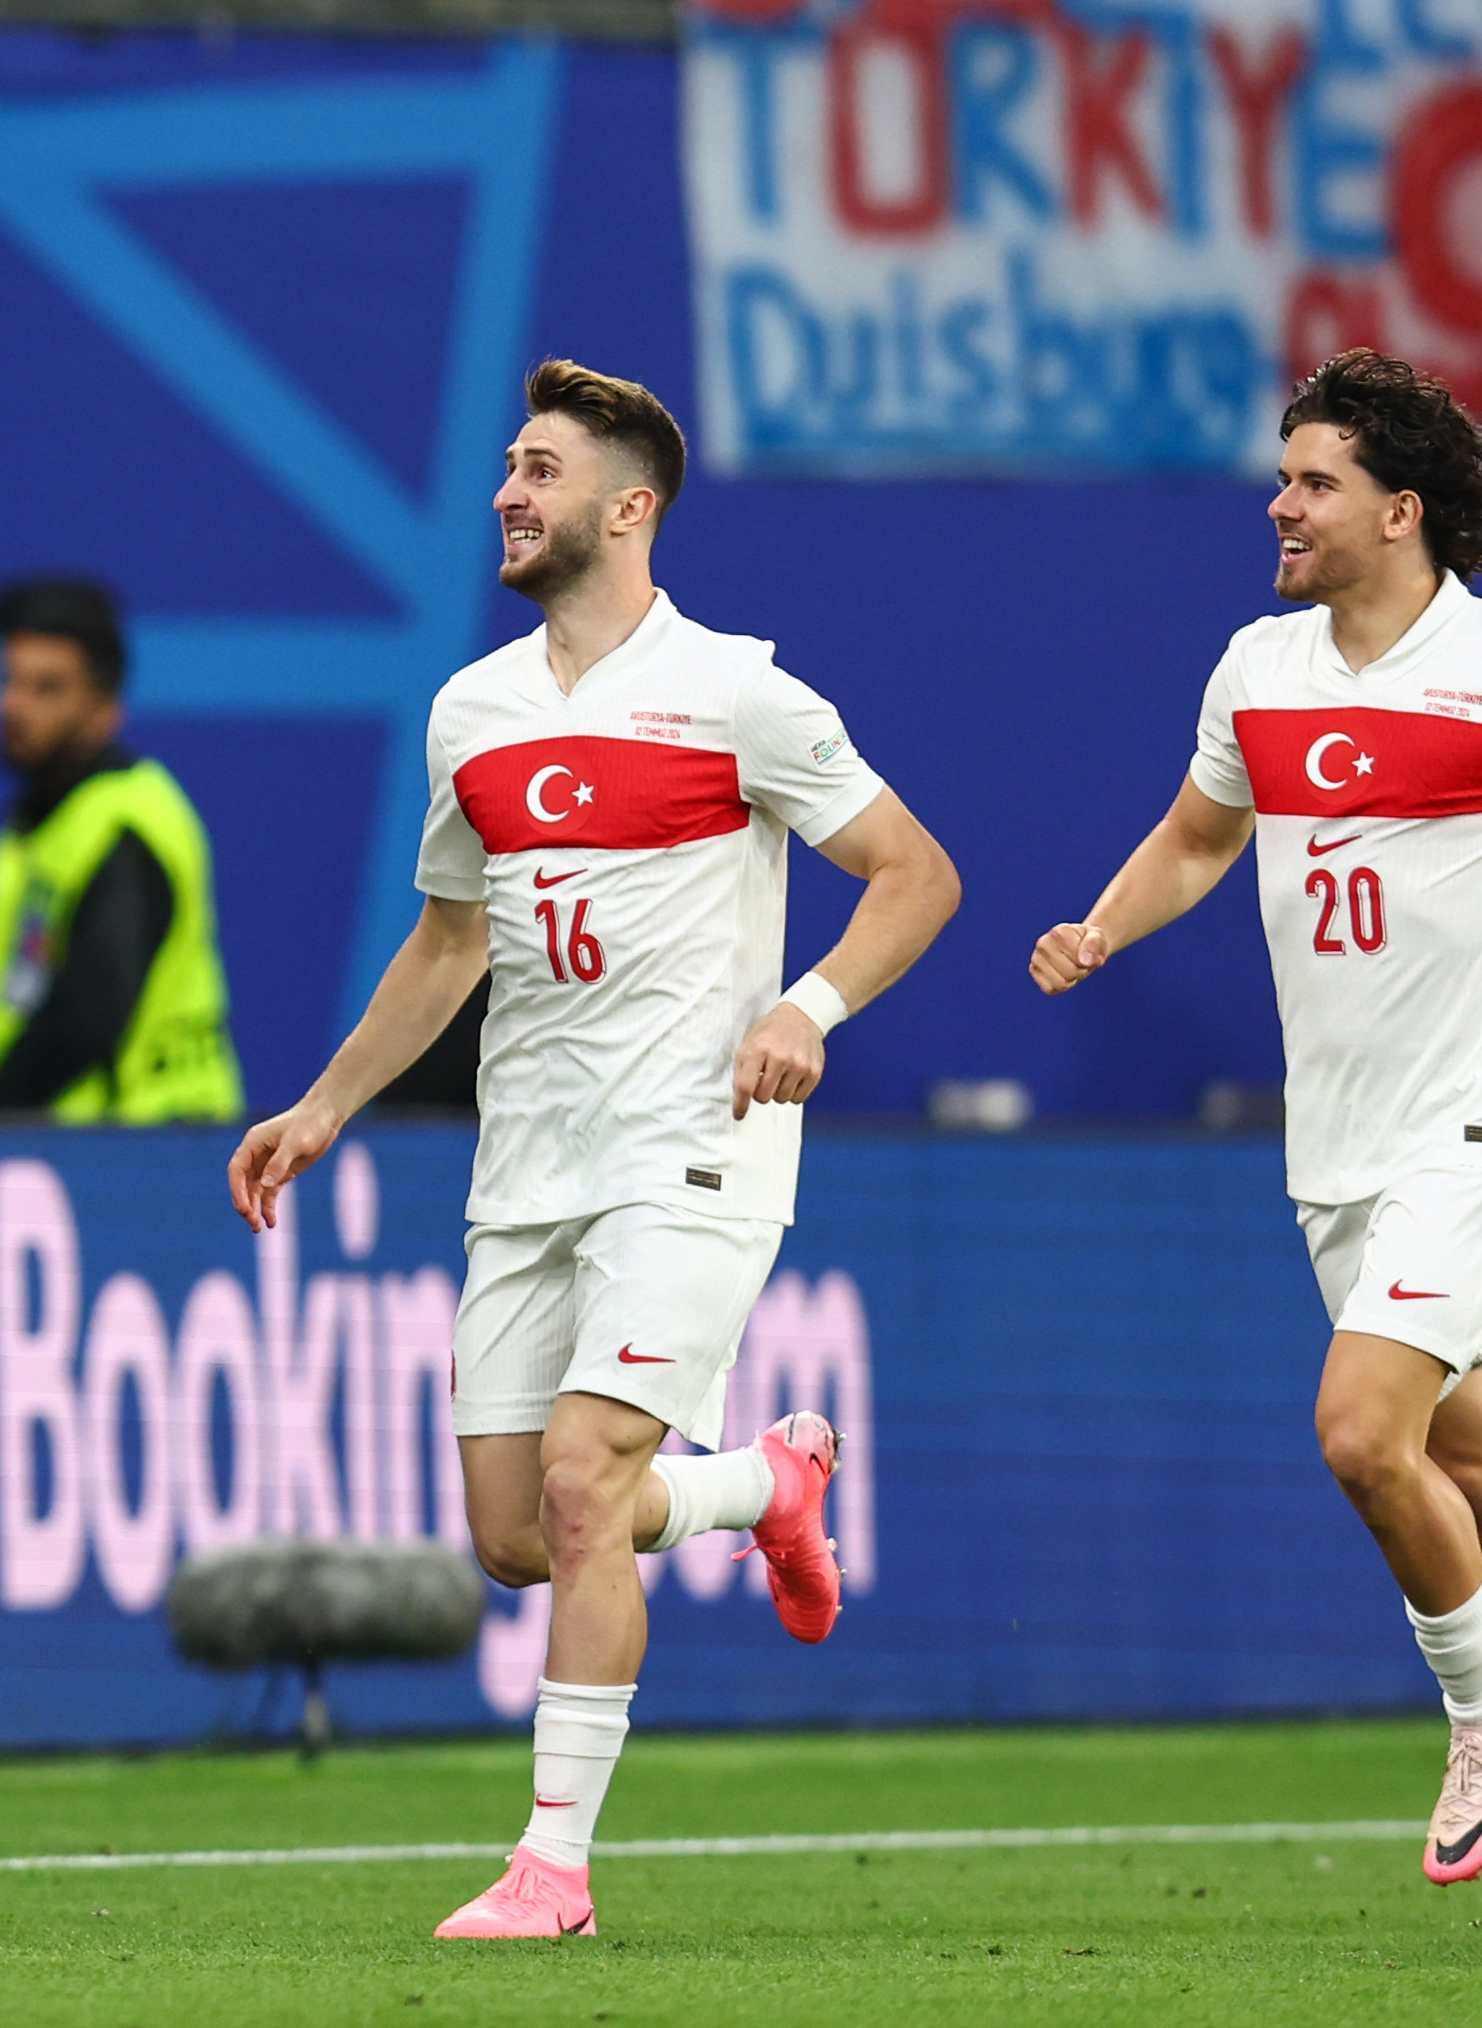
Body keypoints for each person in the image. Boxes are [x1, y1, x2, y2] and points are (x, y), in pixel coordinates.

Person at [230, 361, 963, 1943]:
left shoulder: (738, 692)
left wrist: (811, 1003)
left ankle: (549, 1866)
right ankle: (762, 1481)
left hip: (688, 1149)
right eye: (505, 462)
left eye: (540, 467)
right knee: (516, 1533)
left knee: (579, 1474)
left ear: (628, 509)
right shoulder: (470, 707)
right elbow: (448, 941)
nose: (508, 488)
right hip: (527, 1162)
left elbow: (913, 872)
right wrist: (326, 1099)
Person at [1028, 351, 1482, 1941]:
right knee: (1480, 1465)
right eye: (1281, 478)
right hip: (1336, 1149)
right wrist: (1102, 921)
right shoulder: (1255, 670)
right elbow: (1200, 833)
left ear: (1398, 509)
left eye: (1312, 481)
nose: (1278, 505)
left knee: (1361, 1429)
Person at [0, 577, 245, 1125]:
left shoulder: (128, 824)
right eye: (8, 681)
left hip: (149, 1144)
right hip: (69, 1143)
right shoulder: (36, 823)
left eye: (46, 689)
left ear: (106, 710)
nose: (12, 706)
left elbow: (89, 1013)